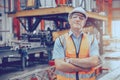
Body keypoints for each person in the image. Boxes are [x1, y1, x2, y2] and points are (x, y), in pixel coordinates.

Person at [52, 7, 101, 80]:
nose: (78, 19)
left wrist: (70, 60)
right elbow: (60, 65)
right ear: (69, 20)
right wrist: (84, 68)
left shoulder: (92, 40)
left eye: (81, 18)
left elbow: (94, 61)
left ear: (84, 22)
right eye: (75, 17)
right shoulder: (60, 40)